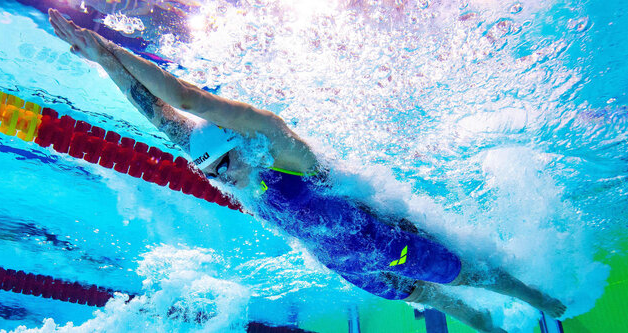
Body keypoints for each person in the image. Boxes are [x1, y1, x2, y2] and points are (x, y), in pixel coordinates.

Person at [48, 9, 566, 332]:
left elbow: (182, 99)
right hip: (349, 264)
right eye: (208, 172)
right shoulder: (228, 166)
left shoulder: (288, 157)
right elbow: (157, 114)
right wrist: (102, 61)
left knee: (470, 273)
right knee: (427, 297)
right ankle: (483, 324)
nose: (219, 178)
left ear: (241, 145)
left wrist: (112, 47)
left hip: (390, 241)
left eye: (223, 165)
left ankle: (540, 298)